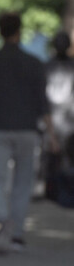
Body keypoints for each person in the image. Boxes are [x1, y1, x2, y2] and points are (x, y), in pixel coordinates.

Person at [0, 13, 58, 255]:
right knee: (23, 181)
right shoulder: (34, 63)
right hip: (27, 128)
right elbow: (43, 103)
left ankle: (2, 216)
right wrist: (52, 134)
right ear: (20, 31)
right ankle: (16, 234)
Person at [43, 31, 74, 200]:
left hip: (68, 119)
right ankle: (51, 189)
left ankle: (66, 189)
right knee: (49, 157)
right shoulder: (46, 66)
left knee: (67, 157)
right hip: (52, 119)